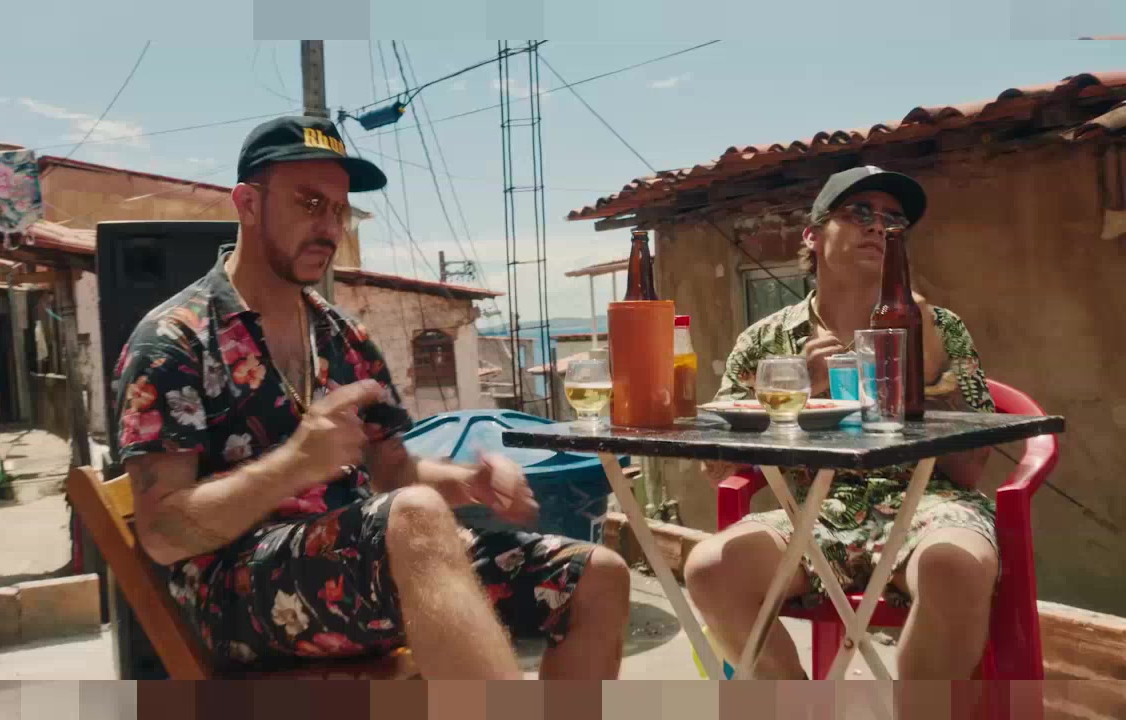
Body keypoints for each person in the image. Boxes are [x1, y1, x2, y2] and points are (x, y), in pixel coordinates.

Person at [111, 116, 629, 680]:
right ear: (248, 203)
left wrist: (470, 483)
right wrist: (295, 464)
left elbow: (393, 471)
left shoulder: (342, 338)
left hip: (370, 561)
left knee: (597, 578)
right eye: (309, 203)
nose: (328, 227)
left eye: (339, 210)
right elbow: (161, 534)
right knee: (414, 517)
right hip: (237, 596)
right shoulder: (174, 341)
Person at [683, 167, 998, 687]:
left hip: (933, 507)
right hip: (813, 515)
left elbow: (970, 469)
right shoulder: (766, 340)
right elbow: (715, 469)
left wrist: (930, 370)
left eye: (894, 220)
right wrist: (797, 393)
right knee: (709, 568)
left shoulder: (939, 327)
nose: (878, 227)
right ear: (812, 234)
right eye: (860, 213)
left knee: (954, 564)